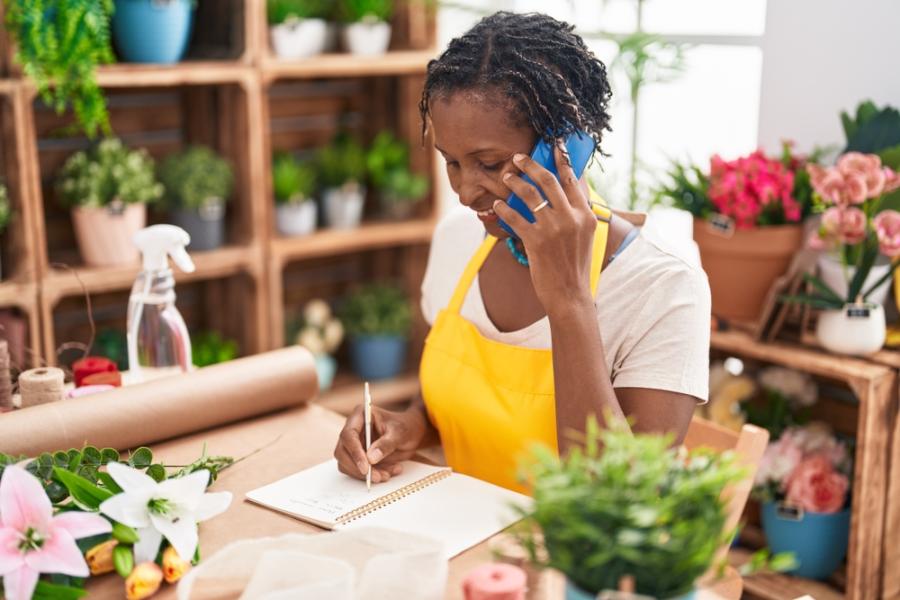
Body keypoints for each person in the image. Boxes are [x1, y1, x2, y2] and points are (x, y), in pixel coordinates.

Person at [334, 11, 711, 492]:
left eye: (488, 164)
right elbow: (449, 399)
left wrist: (570, 301)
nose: (465, 192)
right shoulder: (459, 237)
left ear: (567, 149)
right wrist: (412, 425)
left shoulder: (664, 286)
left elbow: (617, 498)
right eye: (451, 162)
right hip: (464, 543)